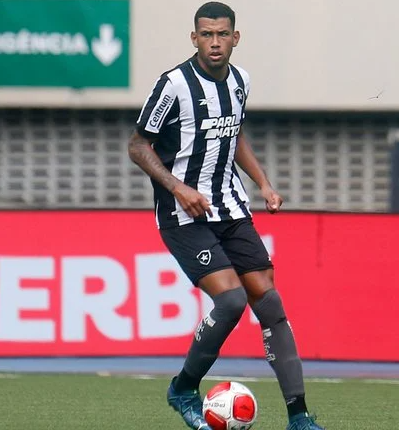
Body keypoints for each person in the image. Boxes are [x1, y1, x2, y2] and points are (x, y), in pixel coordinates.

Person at [127, 2, 325, 430]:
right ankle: (183, 388)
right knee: (233, 301)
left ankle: (299, 416)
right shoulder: (173, 85)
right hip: (183, 215)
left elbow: (234, 136)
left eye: (221, 35)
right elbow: (138, 145)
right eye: (206, 34)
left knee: (269, 302)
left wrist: (264, 183)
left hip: (231, 208)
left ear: (235, 38)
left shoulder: (239, 82)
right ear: (194, 38)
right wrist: (178, 188)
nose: (214, 42)